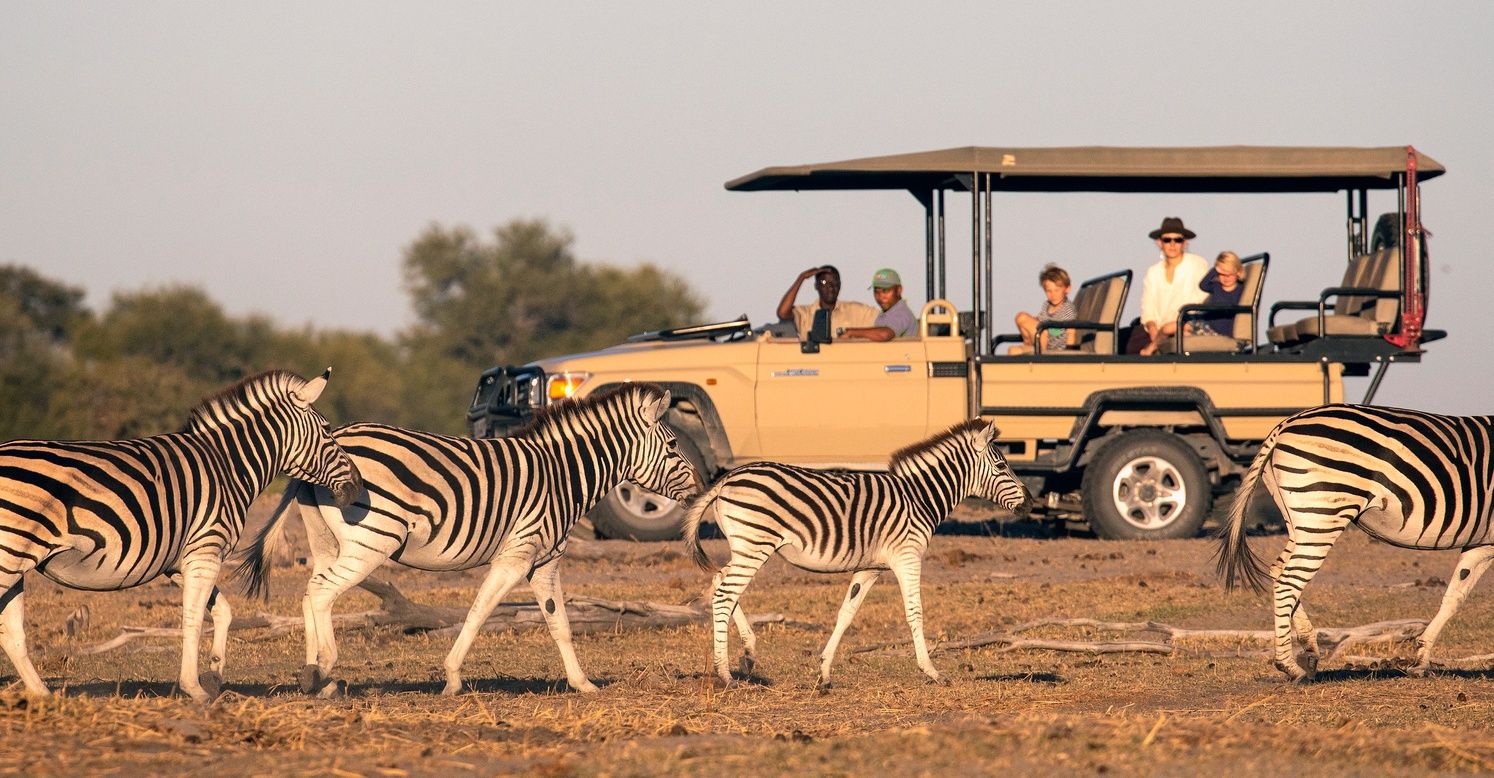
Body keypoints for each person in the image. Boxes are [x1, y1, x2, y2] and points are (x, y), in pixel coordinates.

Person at [1129, 216, 1210, 356]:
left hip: (1185, 326)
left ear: (1184, 243)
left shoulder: (1197, 264)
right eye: (1167, 240)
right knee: (1127, 345)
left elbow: (1202, 300)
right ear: (1159, 243)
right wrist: (1156, 335)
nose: (1172, 244)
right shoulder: (1153, 272)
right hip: (1156, 331)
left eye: (1177, 240)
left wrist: (1173, 328)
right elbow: (1147, 310)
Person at [776, 265, 879, 340]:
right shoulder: (805, 313)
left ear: (840, 285)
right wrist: (801, 278)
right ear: (816, 286)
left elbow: (887, 321)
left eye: (834, 282)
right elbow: (782, 313)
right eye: (824, 282)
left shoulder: (857, 310)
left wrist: (855, 333)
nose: (830, 286)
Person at [1010, 264, 1076, 355]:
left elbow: (1071, 333)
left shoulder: (1067, 309)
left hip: (1055, 350)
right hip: (1041, 343)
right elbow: (1038, 320)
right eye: (1049, 291)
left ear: (1067, 289)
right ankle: (1028, 342)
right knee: (1013, 349)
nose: (1053, 294)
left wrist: (1069, 355)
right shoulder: (1047, 305)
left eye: (1057, 290)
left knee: (1041, 329)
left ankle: (1040, 357)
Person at [840, 268, 917, 341]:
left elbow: (885, 334)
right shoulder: (887, 313)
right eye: (877, 292)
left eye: (885, 291)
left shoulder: (902, 313)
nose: (881, 296)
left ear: (899, 290)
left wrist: (851, 332)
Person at [1185, 251, 1246, 338]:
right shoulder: (1216, 286)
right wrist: (1215, 270)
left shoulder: (1239, 290)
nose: (1225, 277)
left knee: (1183, 333)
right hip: (1207, 323)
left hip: (1219, 330)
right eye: (1221, 274)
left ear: (1238, 273)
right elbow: (1203, 285)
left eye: (1229, 274)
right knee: (1173, 327)